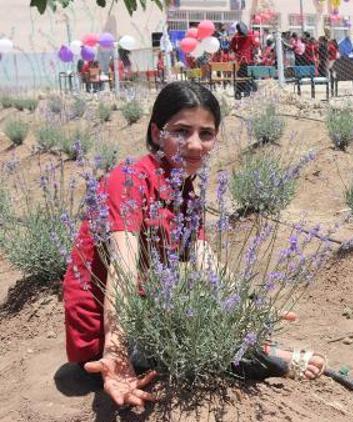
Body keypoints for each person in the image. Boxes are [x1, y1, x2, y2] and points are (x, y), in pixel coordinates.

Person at [63, 81, 327, 407]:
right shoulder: (129, 179)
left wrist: (245, 309)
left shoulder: (186, 193)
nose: (194, 144)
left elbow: (206, 261)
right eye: (181, 131)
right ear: (157, 132)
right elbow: (122, 272)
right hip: (101, 341)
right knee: (196, 338)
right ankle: (264, 359)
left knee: (203, 309)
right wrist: (115, 351)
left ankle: (252, 346)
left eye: (206, 133)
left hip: (144, 312)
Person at [230, 23, 257, 97]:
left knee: (240, 76)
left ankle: (238, 91)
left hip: (240, 59)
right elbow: (255, 44)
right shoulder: (250, 34)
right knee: (248, 76)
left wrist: (237, 51)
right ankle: (247, 92)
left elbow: (232, 46)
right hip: (248, 59)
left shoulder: (236, 35)